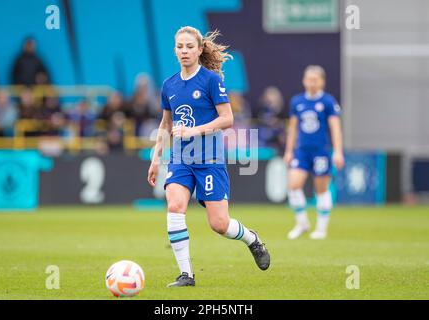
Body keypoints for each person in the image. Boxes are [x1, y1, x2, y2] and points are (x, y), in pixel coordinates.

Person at [147, 26, 270, 288]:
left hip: (209, 159)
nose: (184, 51)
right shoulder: (169, 85)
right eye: (180, 47)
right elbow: (166, 124)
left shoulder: (211, 80)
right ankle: (186, 275)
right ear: (174, 50)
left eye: (189, 47)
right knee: (175, 205)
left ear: (200, 49)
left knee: (219, 224)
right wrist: (155, 157)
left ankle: (252, 239)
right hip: (181, 158)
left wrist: (194, 129)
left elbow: (228, 119)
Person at [284, 65, 344, 240]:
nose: (311, 83)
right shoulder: (297, 101)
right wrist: (289, 151)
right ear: (303, 80)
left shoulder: (328, 102)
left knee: (321, 190)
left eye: (315, 80)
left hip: (321, 152)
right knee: (293, 185)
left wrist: (338, 151)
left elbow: (335, 128)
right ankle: (302, 223)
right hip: (301, 152)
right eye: (308, 79)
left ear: (322, 82)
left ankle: (321, 228)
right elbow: (293, 129)